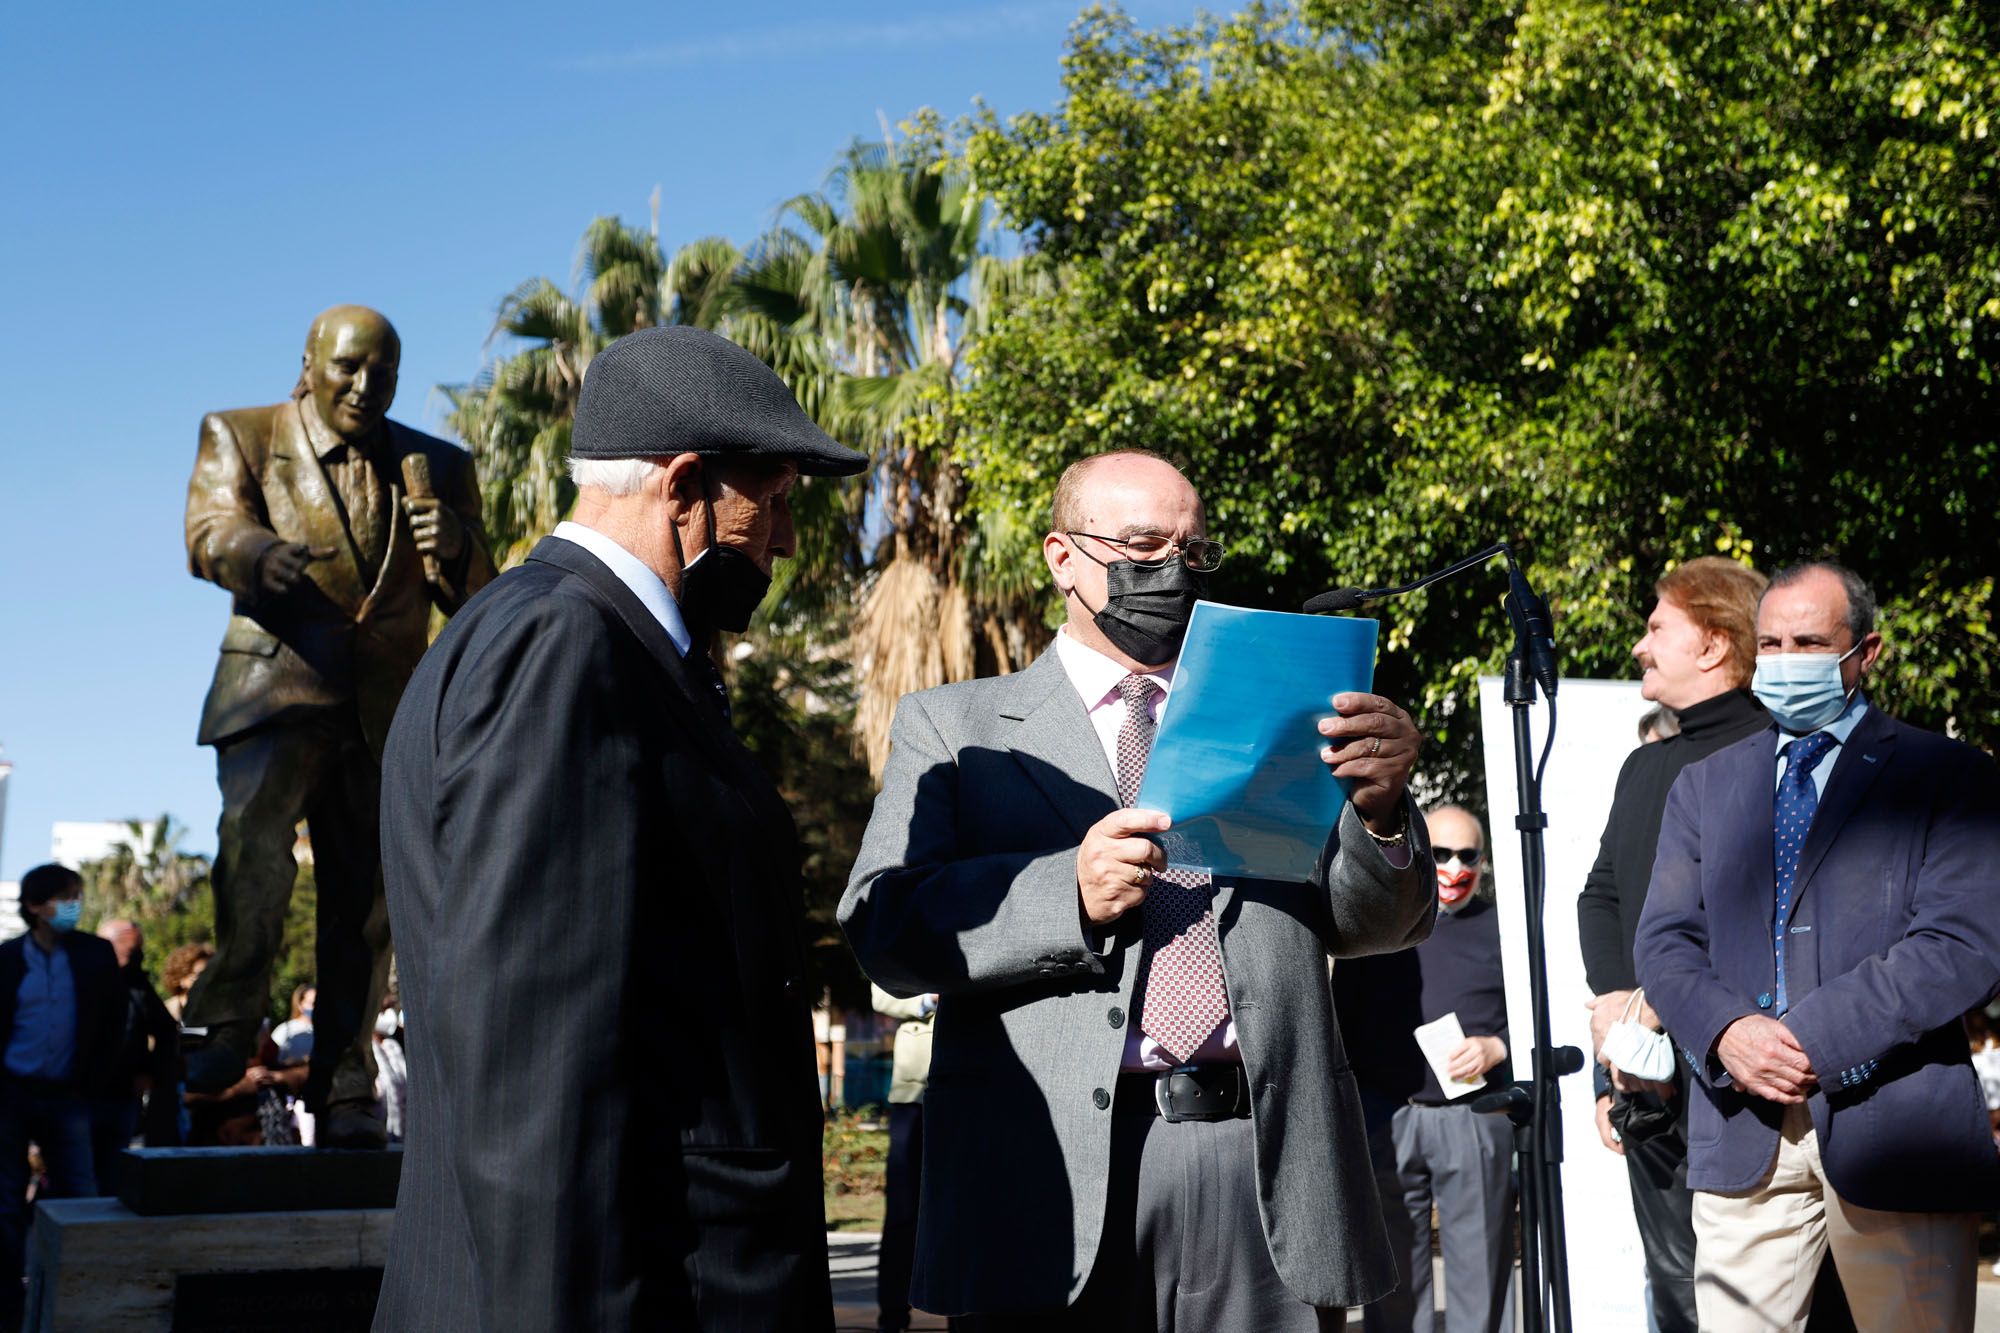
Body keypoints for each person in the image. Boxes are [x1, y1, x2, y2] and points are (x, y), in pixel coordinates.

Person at [840, 449, 1434, 1329]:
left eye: (1191, 551)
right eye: (1143, 543)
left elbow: (1370, 924)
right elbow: (882, 925)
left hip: (1262, 1165)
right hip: (1049, 1181)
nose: (1170, 570)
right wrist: (1064, 893)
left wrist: (1381, 816)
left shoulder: (1277, 711)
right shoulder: (956, 727)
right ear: (1062, 556)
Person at [374, 325, 867, 1331]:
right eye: (769, 503)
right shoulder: (565, 642)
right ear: (682, 485)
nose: (781, 540)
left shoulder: (595, 641)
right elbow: (537, 1068)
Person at [1635, 561, 2000, 1331]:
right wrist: (1730, 1033)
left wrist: (1810, 1038)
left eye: (1807, 641)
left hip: (1893, 1121)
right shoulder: (1704, 785)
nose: (1783, 658)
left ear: (1864, 653)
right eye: (1768, 642)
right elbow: (1665, 941)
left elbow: (1962, 941)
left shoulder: (1948, 775)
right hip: (1743, 1129)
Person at [182, 304, 495, 1147]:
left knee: (369, 904)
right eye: (349, 367)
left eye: (383, 373)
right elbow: (208, 528)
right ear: (311, 362)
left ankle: (348, 1079)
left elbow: (482, 605)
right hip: (273, 691)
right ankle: (224, 1022)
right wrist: (253, 553)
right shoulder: (244, 434)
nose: (365, 386)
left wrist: (459, 546)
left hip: (385, 712)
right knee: (253, 854)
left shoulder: (437, 464)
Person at [1573, 556, 1768, 1333]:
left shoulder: (1783, 756)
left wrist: (1658, 1010)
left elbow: (1754, 917)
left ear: (1716, 643)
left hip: (1745, 1087)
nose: (1638, 646)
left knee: (1762, 1302)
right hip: (1648, 1086)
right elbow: (1603, 897)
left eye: (1657, 628)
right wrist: (1615, 1043)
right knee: (1678, 1294)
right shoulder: (1645, 764)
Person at [1340, 806, 1514, 1333]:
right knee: (1392, 1279)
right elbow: (1340, 1017)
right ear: (1419, 852)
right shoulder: (1376, 923)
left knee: (1480, 1273)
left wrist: (1497, 1047)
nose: (1454, 867)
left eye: (1468, 855)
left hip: (1475, 1115)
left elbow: (1536, 1016)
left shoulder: (1504, 930)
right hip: (1390, 1117)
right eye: (1440, 853)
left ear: (1482, 862)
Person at [0, 866, 124, 1331]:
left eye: (77, 896)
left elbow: (113, 1023)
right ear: (35, 905)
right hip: (11, 1095)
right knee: (6, 1206)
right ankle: (9, 1303)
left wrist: (96, 1082)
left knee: (81, 1197)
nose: (74, 905)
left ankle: (82, 1296)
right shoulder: (8, 959)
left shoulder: (94, 955)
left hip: (69, 1094)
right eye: (64, 898)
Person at [88, 919, 180, 1190]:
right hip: (79, 1095)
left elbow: (166, 1031)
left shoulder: (136, 984)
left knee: (113, 1169)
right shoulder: (76, 977)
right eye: (131, 949)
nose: (137, 956)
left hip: (121, 1094)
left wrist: (149, 1072)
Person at [871, 982, 936, 1333]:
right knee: (902, 1212)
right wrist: (929, 997)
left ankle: (965, 1318)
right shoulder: (918, 927)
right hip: (914, 1093)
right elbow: (880, 993)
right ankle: (891, 1319)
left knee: (965, 1212)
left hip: (973, 1087)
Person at [159, 942, 212, 1023]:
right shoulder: (163, 1014)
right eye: (200, 975)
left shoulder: (225, 1008)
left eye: (210, 973)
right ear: (180, 978)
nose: (208, 979)